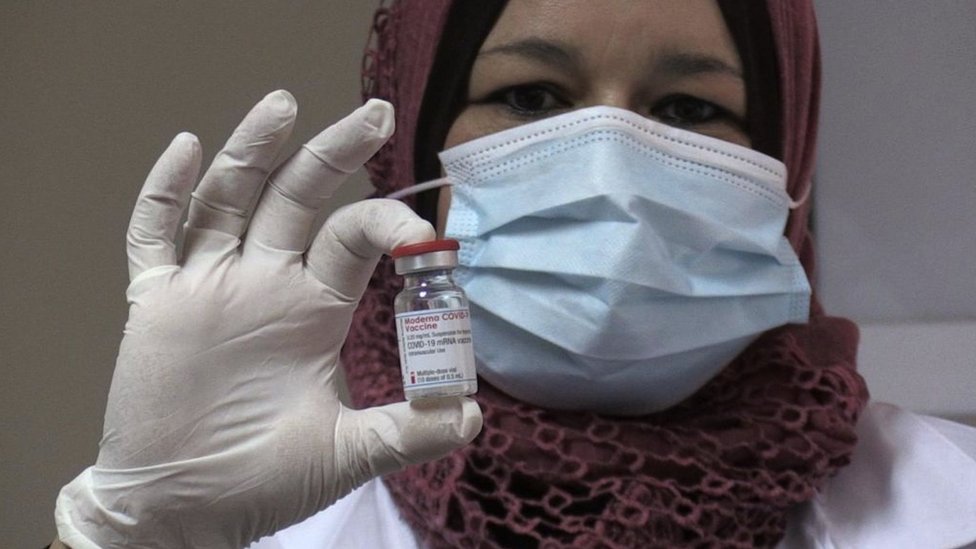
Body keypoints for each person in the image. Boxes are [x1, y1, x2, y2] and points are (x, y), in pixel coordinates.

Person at [52, 1, 976, 548]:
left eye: (690, 108)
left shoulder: (951, 503)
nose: (611, 172)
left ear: (791, 165)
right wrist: (127, 532)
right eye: (530, 98)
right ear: (418, 143)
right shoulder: (283, 519)